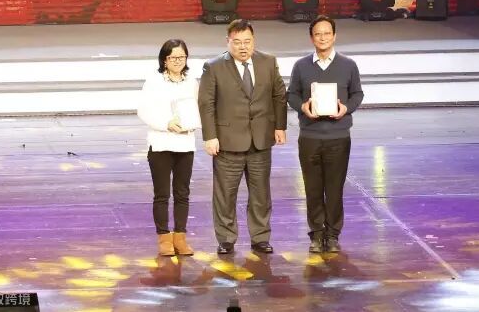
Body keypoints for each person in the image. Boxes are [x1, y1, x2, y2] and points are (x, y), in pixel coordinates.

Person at [198, 19, 287, 255]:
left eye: (247, 41)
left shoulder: (268, 62)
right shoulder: (214, 67)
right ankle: (226, 239)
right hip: (227, 142)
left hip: (261, 140)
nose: (243, 47)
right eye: (237, 42)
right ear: (227, 42)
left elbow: (279, 95)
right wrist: (210, 136)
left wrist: (280, 126)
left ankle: (260, 237)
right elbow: (206, 103)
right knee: (225, 195)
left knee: (261, 194)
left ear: (253, 41)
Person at [287, 15, 364, 253]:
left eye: (327, 33)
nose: (322, 38)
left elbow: (357, 94)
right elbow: (291, 94)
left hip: (338, 137)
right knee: (312, 188)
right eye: (318, 34)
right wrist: (303, 107)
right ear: (312, 38)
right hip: (309, 137)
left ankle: (332, 235)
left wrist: (345, 109)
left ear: (334, 36)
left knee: (334, 189)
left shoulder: (348, 65)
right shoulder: (301, 66)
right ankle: (316, 234)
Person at [138, 39, 200, 256]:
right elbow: (144, 111)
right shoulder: (154, 81)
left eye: (182, 57)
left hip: (185, 143)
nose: (177, 61)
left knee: (182, 193)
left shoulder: (191, 82)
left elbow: (198, 109)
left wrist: (193, 123)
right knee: (162, 194)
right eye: (173, 57)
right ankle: (164, 238)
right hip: (161, 143)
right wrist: (166, 124)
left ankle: (180, 237)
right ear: (164, 60)